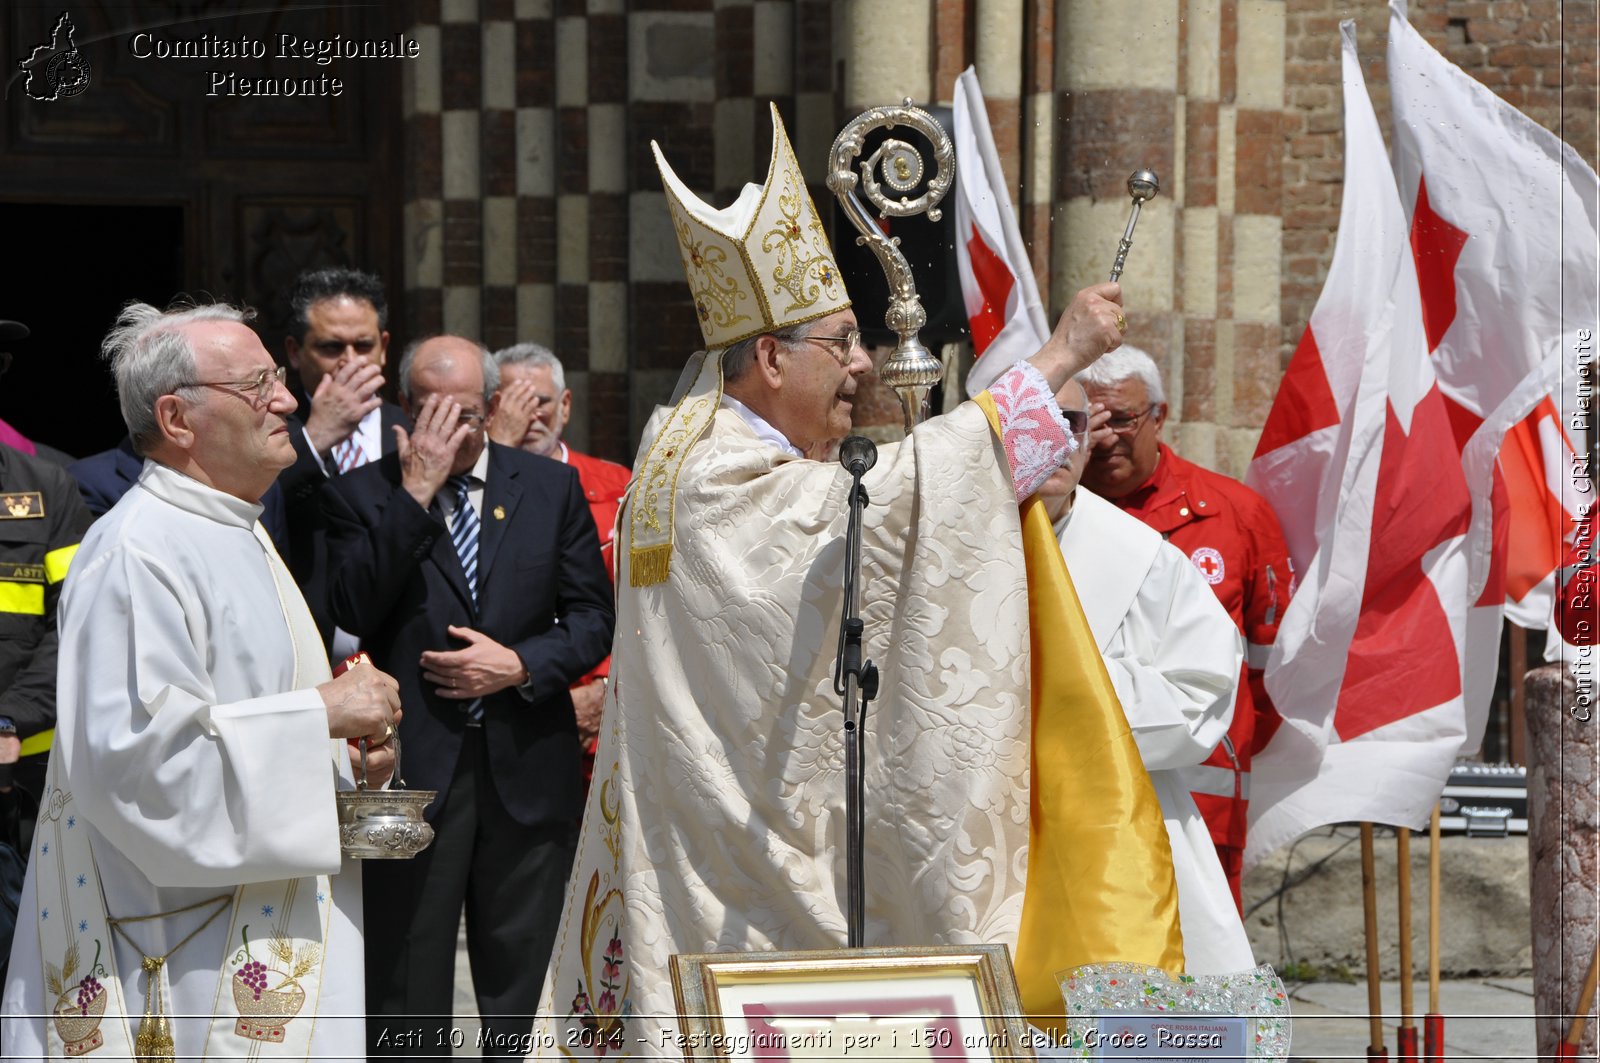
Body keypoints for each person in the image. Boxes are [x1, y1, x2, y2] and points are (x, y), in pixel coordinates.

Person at [534, 104, 1175, 1056]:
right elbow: (895, 506)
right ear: (767, 355)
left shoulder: (692, 453)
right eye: (841, 342)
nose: (863, 363)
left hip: (723, 830)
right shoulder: (714, 480)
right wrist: (1060, 358)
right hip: (749, 863)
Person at [1, 299, 401, 1059]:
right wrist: (319, 712)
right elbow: (142, 770)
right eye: (258, 385)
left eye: (278, 378)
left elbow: (237, 719)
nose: (287, 398)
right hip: (182, 956)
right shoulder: (138, 551)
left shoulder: (234, 527)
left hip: (251, 931)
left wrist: (345, 762)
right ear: (178, 418)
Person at [320, 335, 615, 1055]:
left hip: (527, 764)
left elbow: (594, 617)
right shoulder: (364, 493)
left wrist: (518, 663)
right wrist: (417, 492)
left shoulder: (548, 487)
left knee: (527, 974)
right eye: (421, 407)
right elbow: (351, 608)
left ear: (490, 410)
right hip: (400, 773)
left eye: (453, 410)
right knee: (401, 971)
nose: (435, 425)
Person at [1040, 378, 1254, 973]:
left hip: (1120, 842)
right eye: (1031, 417)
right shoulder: (939, 549)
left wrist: (1061, 681)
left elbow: (1203, 696)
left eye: (1074, 423)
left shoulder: (1145, 560)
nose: (1054, 438)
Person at [1078, 343, 1294, 907]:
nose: (1105, 439)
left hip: (1206, 801)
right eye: (1090, 422)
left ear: (1159, 415)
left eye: (1121, 420)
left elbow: (1271, 674)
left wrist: (1218, 739)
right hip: (1083, 800)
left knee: (1202, 975)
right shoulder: (1051, 514)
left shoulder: (1235, 514)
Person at [489, 342, 630, 777]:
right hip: (506, 705)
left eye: (540, 402)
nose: (528, 417)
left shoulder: (617, 486)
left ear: (565, 406)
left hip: (605, 706)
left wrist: (605, 687)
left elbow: (641, 610)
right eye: (512, 404)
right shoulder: (468, 490)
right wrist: (497, 451)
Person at [275, 266, 409, 651]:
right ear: (294, 353)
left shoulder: (415, 434)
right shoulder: (266, 429)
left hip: (400, 651)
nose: (350, 361)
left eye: (363, 346)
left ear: (384, 347)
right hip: (301, 645)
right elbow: (253, 507)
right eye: (331, 347)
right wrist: (314, 439)